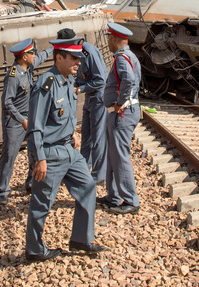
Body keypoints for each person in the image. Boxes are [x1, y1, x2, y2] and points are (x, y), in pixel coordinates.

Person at [25, 35, 105, 261]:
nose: (78, 63)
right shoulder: (45, 84)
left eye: (80, 58)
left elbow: (63, 114)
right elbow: (35, 127)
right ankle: (34, 249)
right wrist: (39, 159)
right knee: (41, 204)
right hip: (50, 154)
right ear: (59, 58)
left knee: (88, 187)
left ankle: (81, 238)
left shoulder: (68, 78)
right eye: (73, 58)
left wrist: (72, 133)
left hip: (70, 150)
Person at [0, 39, 53, 204]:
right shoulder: (13, 76)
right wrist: (21, 120)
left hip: (29, 117)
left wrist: (54, 47)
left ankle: (31, 183)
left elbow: (42, 56)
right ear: (23, 57)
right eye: (31, 53)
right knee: (9, 155)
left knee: (34, 152)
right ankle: (3, 191)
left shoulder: (28, 67)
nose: (34, 55)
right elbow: (7, 102)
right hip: (15, 121)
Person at [97, 22, 142, 215]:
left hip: (122, 113)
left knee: (120, 156)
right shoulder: (130, 56)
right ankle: (113, 196)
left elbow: (129, 80)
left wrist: (120, 101)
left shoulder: (122, 58)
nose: (107, 41)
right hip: (124, 111)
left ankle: (130, 200)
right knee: (113, 155)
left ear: (114, 39)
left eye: (108, 38)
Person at [57, 28, 108, 183]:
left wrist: (79, 89)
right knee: (86, 135)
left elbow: (101, 80)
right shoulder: (75, 54)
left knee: (98, 137)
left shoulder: (88, 52)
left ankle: (99, 175)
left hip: (98, 97)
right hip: (88, 97)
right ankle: (84, 171)